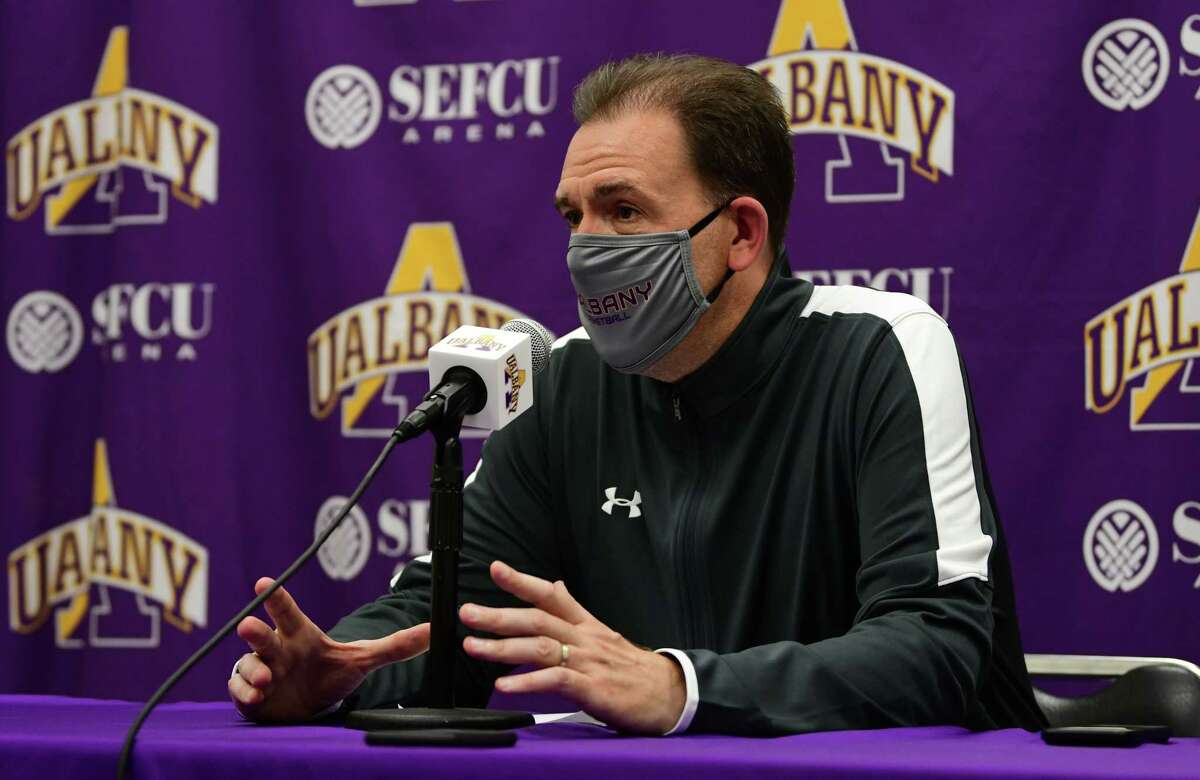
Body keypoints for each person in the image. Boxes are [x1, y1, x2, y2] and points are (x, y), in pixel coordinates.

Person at [228, 53, 1047, 736]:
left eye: (623, 212)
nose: (587, 248)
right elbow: (450, 614)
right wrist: (339, 672)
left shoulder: (880, 348)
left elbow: (937, 646)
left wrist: (680, 688)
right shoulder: (564, 383)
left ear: (743, 233)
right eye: (573, 216)